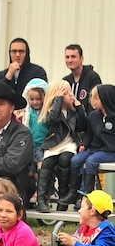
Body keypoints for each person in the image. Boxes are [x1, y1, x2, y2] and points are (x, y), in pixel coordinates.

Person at [35, 80, 86, 211]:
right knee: (46, 165)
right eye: (66, 92)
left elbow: (82, 125)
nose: (70, 95)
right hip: (54, 144)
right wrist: (58, 100)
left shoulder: (73, 111)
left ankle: (63, 198)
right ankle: (41, 200)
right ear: (56, 95)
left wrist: (79, 107)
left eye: (71, 92)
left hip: (69, 144)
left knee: (64, 159)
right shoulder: (53, 110)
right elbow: (53, 120)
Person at [71, 85, 115, 195]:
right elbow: (89, 134)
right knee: (75, 160)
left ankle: (88, 194)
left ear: (105, 99)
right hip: (95, 148)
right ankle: (73, 193)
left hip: (110, 151)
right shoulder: (93, 115)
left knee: (91, 161)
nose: (92, 101)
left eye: (96, 98)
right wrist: (84, 144)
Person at [19, 78, 49, 186]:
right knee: (31, 170)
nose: (35, 102)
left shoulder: (47, 111)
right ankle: (34, 188)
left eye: (38, 99)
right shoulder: (27, 112)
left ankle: (41, 189)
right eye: (32, 99)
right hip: (30, 145)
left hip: (43, 145)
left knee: (40, 168)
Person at [62, 44, 102, 114]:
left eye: (73, 57)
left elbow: (95, 103)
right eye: (67, 57)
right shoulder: (65, 81)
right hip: (70, 123)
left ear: (82, 58)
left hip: (88, 122)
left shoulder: (92, 77)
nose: (70, 60)